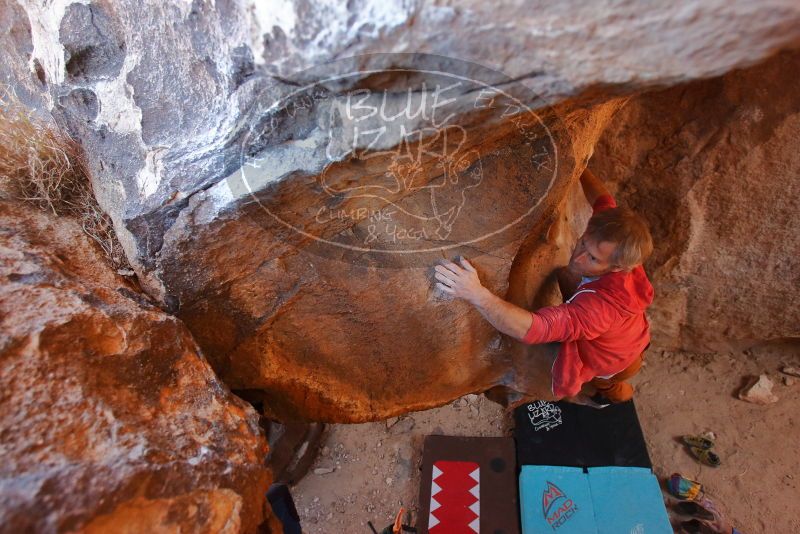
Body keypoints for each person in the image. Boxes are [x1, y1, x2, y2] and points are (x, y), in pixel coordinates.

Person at [433, 166, 654, 405]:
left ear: (617, 268)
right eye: (583, 243)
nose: (578, 257)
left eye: (592, 258)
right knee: (567, 275)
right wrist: (580, 166)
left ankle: (605, 395)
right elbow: (602, 199)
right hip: (633, 337)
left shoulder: (597, 310)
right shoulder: (615, 237)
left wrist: (475, 293)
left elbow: (532, 329)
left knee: (610, 388)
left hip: (615, 361)